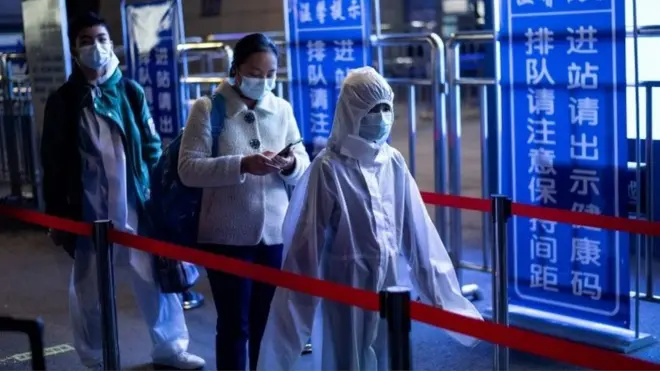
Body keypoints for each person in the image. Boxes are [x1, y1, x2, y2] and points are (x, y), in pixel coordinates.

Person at [257, 67, 484, 371]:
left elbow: (420, 234)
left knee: (390, 355)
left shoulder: (392, 161)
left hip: (389, 285)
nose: (381, 116)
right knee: (346, 360)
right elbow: (304, 253)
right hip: (344, 285)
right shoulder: (329, 169)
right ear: (352, 112)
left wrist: (451, 307)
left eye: (385, 108)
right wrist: (282, 348)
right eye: (371, 109)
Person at [40, 12, 204, 370]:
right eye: (86, 40)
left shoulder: (128, 91)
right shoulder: (65, 100)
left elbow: (151, 146)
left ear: (111, 44)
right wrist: (56, 215)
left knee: (153, 278)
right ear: (74, 48)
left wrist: (160, 195)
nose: (95, 47)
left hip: (136, 205)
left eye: (101, 38)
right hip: (87, 211)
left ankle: (170, 347)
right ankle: (96, 358)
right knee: (90, 291)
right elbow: (52, 162)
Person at [177, 33, 311, 370]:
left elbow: (303, 160)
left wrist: (290, 164)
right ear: (236, 70)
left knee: (267, 324)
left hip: (274, 234)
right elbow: (188, 169)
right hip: (226, 236)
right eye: (255, 72)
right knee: (235, 325)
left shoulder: (281, 109)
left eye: (270, 74)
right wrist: (241, 164)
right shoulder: (208, 109)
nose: (263, 81)